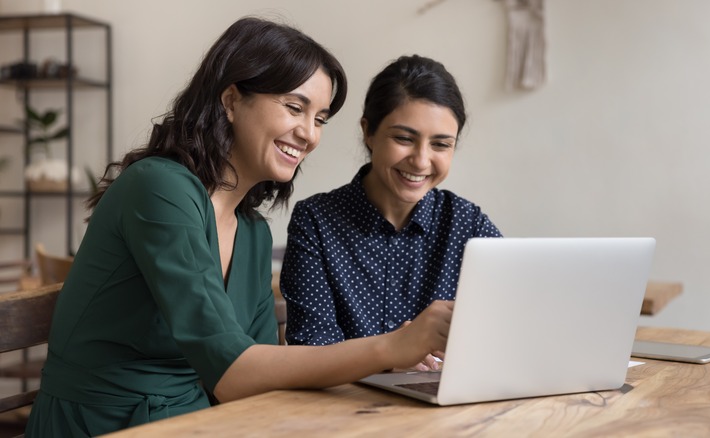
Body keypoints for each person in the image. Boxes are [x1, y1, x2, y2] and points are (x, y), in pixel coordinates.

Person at [25, 18, 452, 437]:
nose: (308, 134)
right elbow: (232, 372)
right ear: (231, 100)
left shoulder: (252, 231)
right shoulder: (159, 187)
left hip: (199, 420)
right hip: (103, 425)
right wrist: (390, 347)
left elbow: (257, 373)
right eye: (294, 107)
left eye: (320, 118)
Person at [280, 55, 502, 370]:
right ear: (368, 132)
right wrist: (392, 356)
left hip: (446, 408)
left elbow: (512, 324)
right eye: (404, 139)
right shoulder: (316, 221)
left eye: (440, 145)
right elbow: (312, 348)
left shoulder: (467, 224)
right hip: (345, 409)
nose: (421, 161)